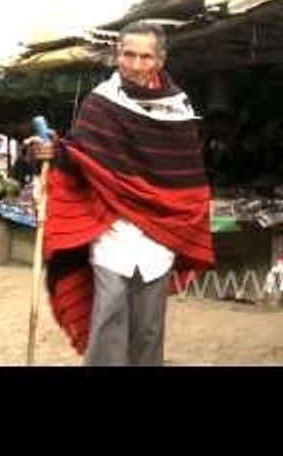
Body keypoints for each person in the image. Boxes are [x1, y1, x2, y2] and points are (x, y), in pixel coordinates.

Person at [29, 20, 214, 366]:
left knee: (149, 330)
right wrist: (50, 151)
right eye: (128, 55)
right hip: (112, 230)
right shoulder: (100, 104)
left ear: (160, 60)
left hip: (159, 234)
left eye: (146, 57)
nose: (136, 65)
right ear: (117, 56)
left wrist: (181, 215)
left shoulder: (178, 108)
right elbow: (80, 156)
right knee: (108, 319)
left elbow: (185, 175)